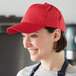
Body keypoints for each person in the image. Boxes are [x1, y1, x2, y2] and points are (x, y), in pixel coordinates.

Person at [7, 3, 76, 76]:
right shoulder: (23, 74)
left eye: (33, 36)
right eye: (23, 36)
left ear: (56, 35)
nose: (25, 45)